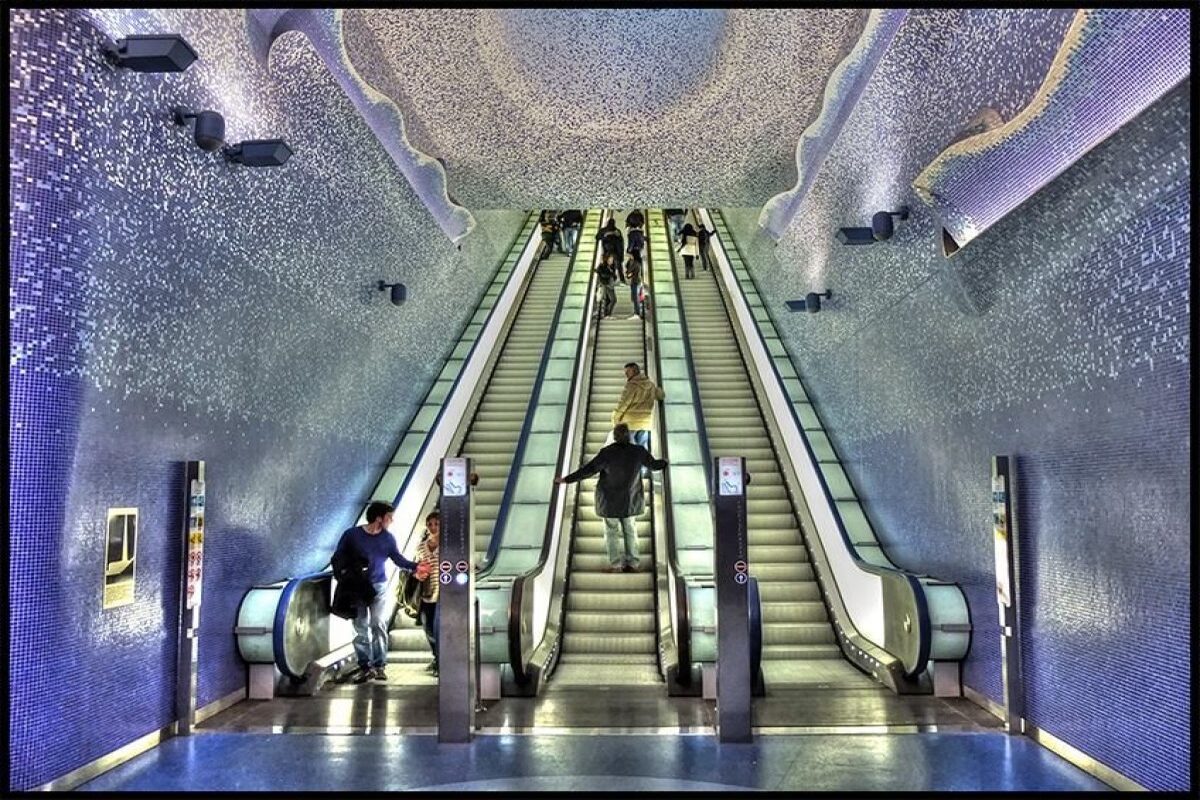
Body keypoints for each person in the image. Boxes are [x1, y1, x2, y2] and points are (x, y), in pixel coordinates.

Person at [333, 501, 429, 683]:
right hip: (357, 587)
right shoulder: (352, 535)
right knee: (360, 626)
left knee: (378, 624)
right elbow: (338, 557)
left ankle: (379, 665)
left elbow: (397, 558)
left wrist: (416, 566)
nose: (391, 521)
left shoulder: (388, 538)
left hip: (378, 586)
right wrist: (344, 576)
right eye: (389, 517)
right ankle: (365, 666)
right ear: (379, 518)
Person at [555, 423, 667, 573]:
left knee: (611, 532)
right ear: (629, 436)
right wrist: (666, 461)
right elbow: (654, 465)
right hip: (630, 501)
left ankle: (615, 564)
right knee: (630, 531)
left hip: (609, 501)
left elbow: (588, 470)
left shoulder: (607, 453)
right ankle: (633, 563)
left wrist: (566, 480)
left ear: (614, 437)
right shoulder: (638, 451)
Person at [612, 362, 664, 453]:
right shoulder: (651, 385)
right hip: (645, 424)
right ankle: (643, 467)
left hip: (630, 424)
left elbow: (624, 403)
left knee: (629, 452)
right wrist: (657, 389)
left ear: (635, 370)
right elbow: (660, 396)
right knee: (643, 452)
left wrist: (615, 418)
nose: (626, 374)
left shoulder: (632, 385)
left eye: (628, 371)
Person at [414, 510, 441, 676]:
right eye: (430, 524)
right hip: (426, 592)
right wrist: (418, 573)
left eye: (437, 524)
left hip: (443, 593)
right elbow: (416, 567)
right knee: (428, 627)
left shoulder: (449, 544)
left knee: (439, 628)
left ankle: (441, 661)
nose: (433, 527)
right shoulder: (421, 547)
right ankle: (437, 657)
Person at [595, 252, 620, 319]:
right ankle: (607, 314)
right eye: (610, 259)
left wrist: (614, 276)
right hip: (606, 285)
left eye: (612, 259)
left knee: (609, 300)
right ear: (607, 259)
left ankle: (606, 314)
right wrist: (610, 275)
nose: (611, 261)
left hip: (610, 285)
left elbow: (614, 275)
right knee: (613, 299)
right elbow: (598, 272)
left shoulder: (612, 266)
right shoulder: (603, 265)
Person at [624, 252, 644, 319]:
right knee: (634, 298)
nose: (629, 256)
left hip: (636, 282)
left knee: (636, 298)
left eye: (630, 255)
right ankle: (636, 312)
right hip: (635, 282)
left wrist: (628, 275)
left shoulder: (636, 264)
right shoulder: (634, 262)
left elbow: (630, 272)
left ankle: (637, 313)